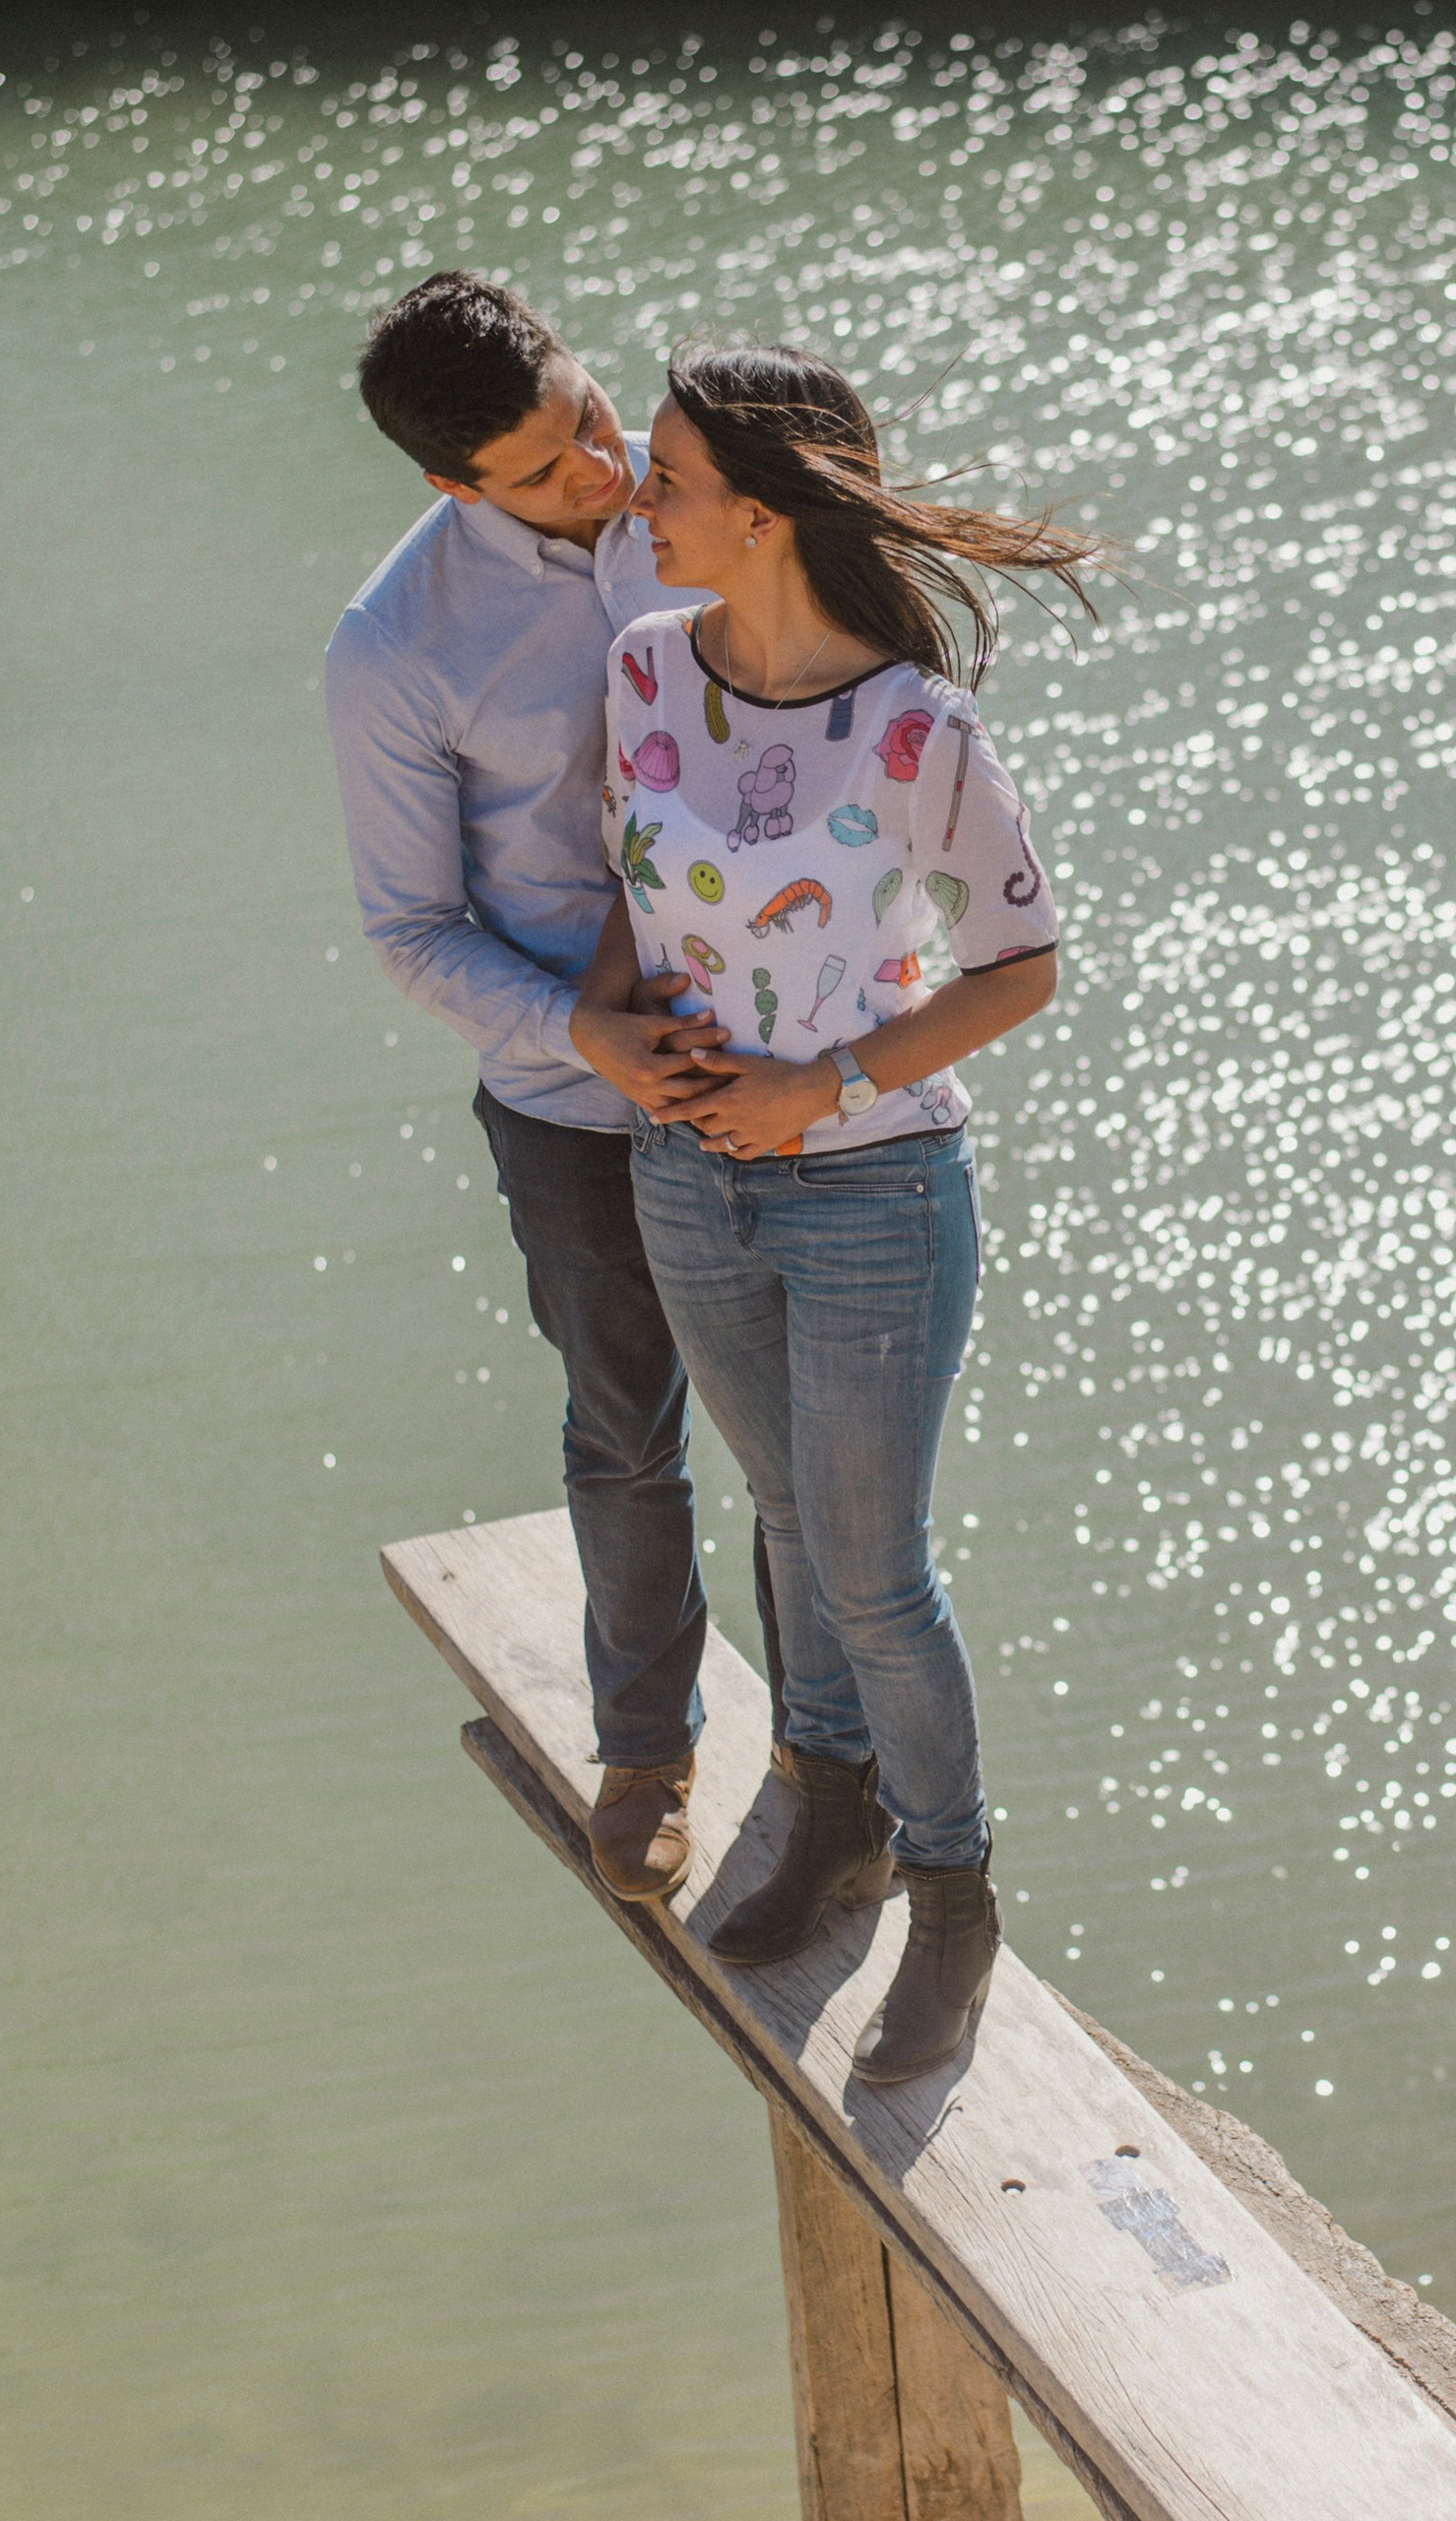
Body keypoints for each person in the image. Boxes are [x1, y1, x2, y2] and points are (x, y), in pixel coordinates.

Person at [580, 342, 1095, 2082]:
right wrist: (620, 1038)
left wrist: (827, 1085)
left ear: (765, 506)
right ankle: (831, 1820)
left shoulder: (917, 729)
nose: (637, 503)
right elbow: (632, 902)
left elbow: (1020, 969)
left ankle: (952, 1898)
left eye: (665, 477)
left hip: (875, 1189)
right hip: (684, 1180)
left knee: (875, 1573)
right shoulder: (648, 672)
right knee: (789, 1522)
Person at [326, 273, 794, 1907]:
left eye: (591, 421)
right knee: (626, 1431)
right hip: (578, 1105)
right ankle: (649, 1750)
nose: (603, 473)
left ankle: (827, 1770)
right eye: (545, 470)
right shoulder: (394, 651)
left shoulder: (695, 484)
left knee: (805, 1446)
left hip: (787, 1063)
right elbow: (405, 929)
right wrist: (579, 1036)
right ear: (453, 487)